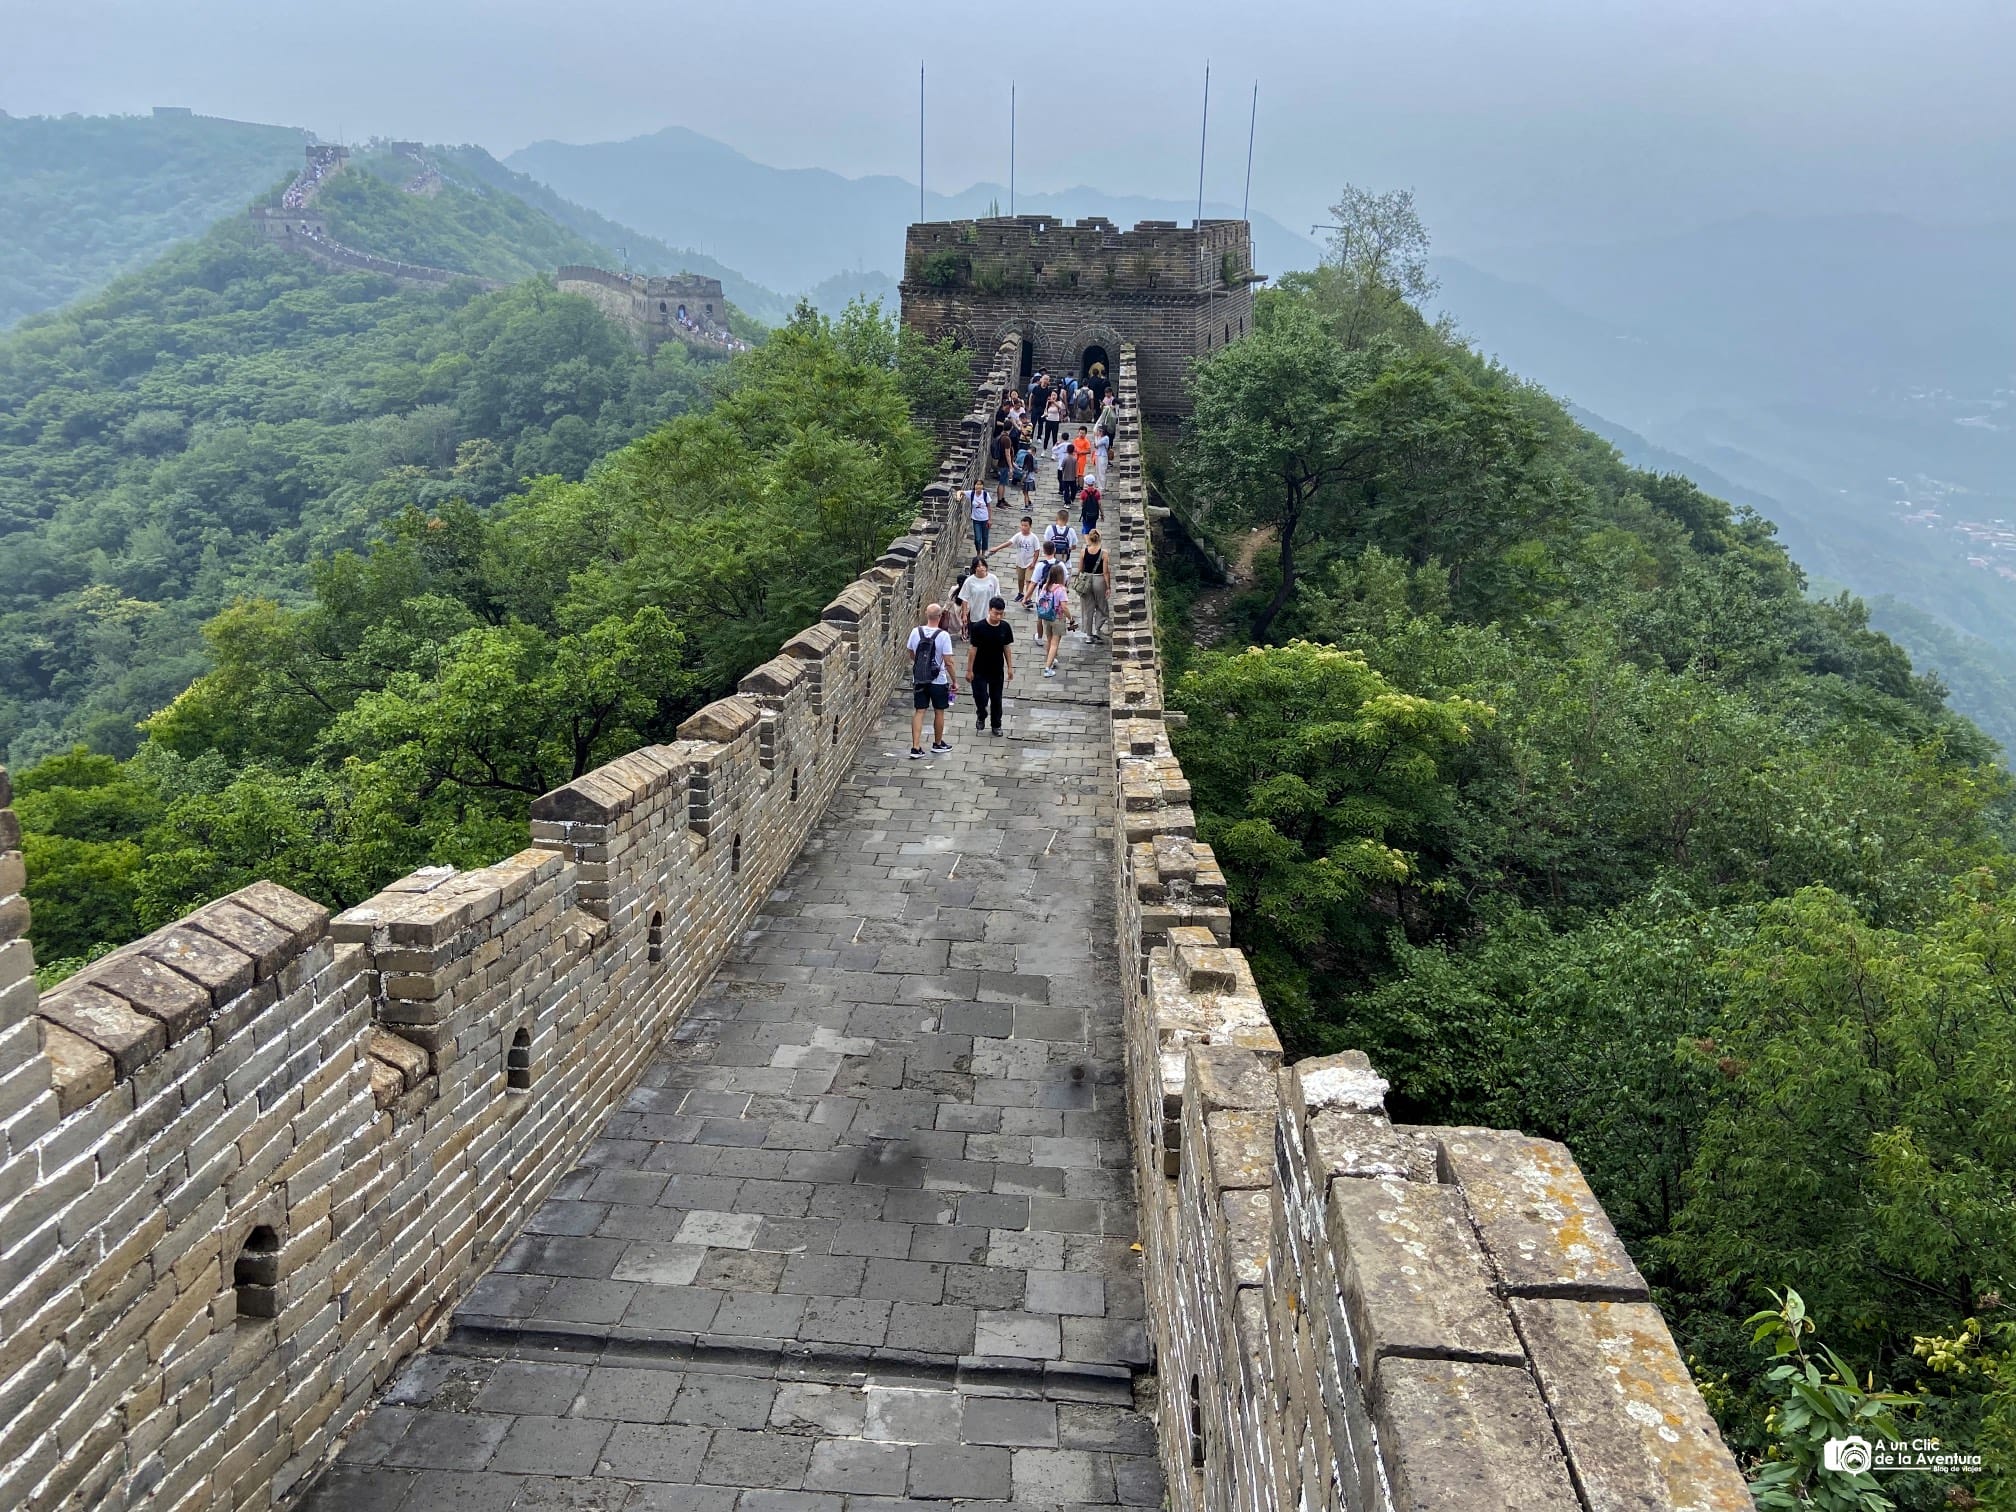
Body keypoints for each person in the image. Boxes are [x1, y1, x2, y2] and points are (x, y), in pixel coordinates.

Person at [906, 604, 958, 758]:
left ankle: (915, 747)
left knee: (919, 711)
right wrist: (954, 681)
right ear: (940, 616)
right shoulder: (943, 636)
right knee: (939, 711)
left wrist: (921, 666)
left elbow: (911, 653)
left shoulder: (916, 632)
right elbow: (948, 662)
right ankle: (938, 743)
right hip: (938, 680)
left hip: (919, 679)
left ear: (926, 614)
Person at [967, 595, 1015, 735]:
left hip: (996, 669)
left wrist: (1010, 667)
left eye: (1001, 614)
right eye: (996, 613)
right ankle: (981, 713)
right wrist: (969, 670)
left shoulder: (1005, 627)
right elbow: (973, 649)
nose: (998, 617)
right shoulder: (978, 627)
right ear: (989, 610)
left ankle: (996, 725)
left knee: (996, 698)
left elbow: (1006, 647)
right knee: (980, 696)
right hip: (979, 669)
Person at [958, 554, 1002, 670]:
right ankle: (976, 664)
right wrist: (964, 614)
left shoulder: (993, 579)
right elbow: (964, 598)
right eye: (978, 566)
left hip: (990, 616)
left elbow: (997, 596)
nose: (981, 568)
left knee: (990, 641)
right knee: (976, 643)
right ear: (974, 568)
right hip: (976, 616)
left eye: (983, 565)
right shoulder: (970, 581)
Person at [1034, 548, 1070, 676]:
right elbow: (1064, 607)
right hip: (1057, 617)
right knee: (1055, 643)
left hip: (1046, 616)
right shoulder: (1061, 589)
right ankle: (1047, 668)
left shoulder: (1045, 586)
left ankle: (1050, 660)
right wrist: (1070, 618)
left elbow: (1040, 600)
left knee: (1049, 641)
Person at [1077, 528, 1113, 642]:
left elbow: (1080, 569)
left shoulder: (1083, 551)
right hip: (1099, 580)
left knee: (1087, 608)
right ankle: (1098, 628)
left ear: (1090, 538)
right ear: (1099, 538)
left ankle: (1088, 635)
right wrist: (1108, 587)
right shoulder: (1104, 553)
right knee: (1102, 606)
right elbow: (1106, 572)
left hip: (1086, 581)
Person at [1007, 515, 1039, 606]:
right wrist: (997, 548)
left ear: (1030, 526)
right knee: (1020, 579)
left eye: (1025, 526)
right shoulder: (1018, 536)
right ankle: (1021, 593)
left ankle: (1028, 598)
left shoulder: (1034, 538)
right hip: (1020, 562)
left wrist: (1033, 562)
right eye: (1022, 525)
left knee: (1028, 580)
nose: (1023, 527)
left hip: (1029, 563)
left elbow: (1037, 551)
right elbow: (1009, 543)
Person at [1052, 433, 1077, 509]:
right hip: (1072, 473)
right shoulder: (1071, 446)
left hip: (1062, 468)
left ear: (1062, 438)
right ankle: (1071, 497)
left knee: (1061, 480)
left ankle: (1062, 491)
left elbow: (1054, 450)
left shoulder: (1061, 445)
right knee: (1072, 487)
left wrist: (1056, 444)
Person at [968, 483, 992, 555]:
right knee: (977, 539)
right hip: (976, 520)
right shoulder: (972, 493)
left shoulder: (985, 494)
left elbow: (989, 507)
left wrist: (990, 519)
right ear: (974, 485)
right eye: (977, 484)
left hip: (985, 519)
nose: (978, 486)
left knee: (985, 537)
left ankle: (983, 554)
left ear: (982, 486)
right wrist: (958, 496)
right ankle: (978, 553)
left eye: (980, 484)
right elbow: (961, 492)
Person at [1071, 427, 1094, 497]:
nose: (1081, 434)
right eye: (1080, 433)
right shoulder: (1076, 440)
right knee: (1075, 473)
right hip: (1075, 458)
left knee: (1080, 474)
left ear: (1085, 434)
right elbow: (1073, 448)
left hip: (1081, 459)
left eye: (1083, 433)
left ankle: (1080, 487)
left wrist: (1081, 452)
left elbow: (1089, 451)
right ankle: (1076, 486)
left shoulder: (1086, 441)